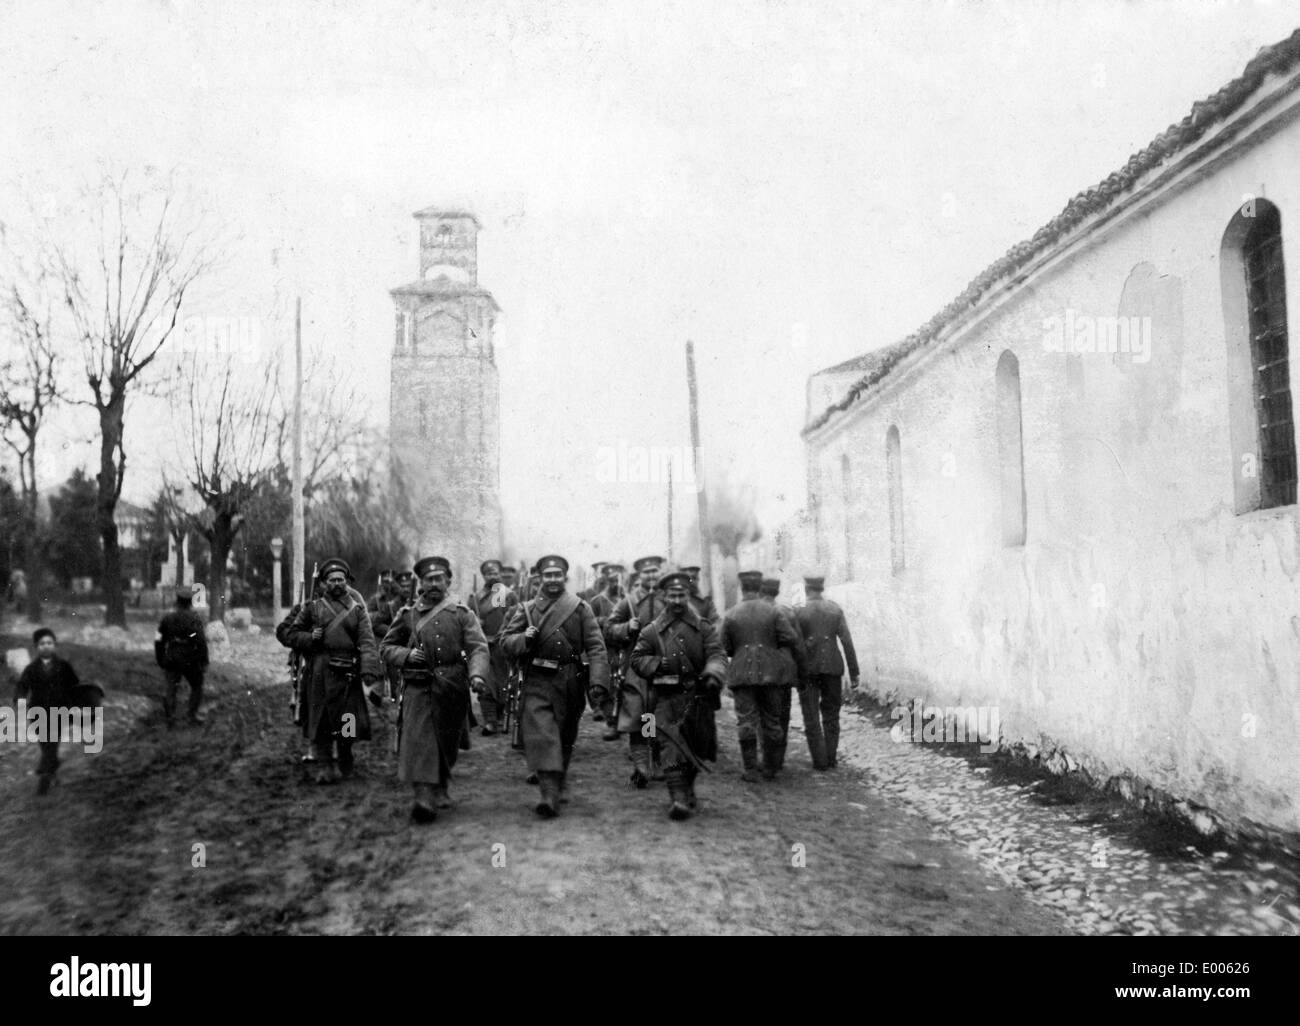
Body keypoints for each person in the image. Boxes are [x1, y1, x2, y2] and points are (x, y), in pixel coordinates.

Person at [380, 556, 490, 823]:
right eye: (428, 579)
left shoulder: (462, 613)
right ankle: (423, 798)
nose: (433, 584)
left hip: (452, 685)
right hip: (419, 685)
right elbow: (386, 647)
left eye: (439, 578)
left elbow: (478, 647)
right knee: (420, 741)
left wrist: (477, 675)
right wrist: (405, 655)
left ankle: (441, 784)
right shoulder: (408, 615)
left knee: (446, 742)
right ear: (421, 583)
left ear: (448, 581)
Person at [500, 554, 609, 817]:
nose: (552, 580)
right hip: (537, 679)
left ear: (564, 577)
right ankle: (548, 795)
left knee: (564, 736)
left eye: (556, 575)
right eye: (547, 575)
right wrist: (523, 640)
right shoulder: (526, 609)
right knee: (543, 734)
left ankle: (557, 783)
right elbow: (505, 641)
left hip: (569, 680)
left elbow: (596, 646)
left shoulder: (580, 608)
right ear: (539, 578)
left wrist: (597, 681)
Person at [629, 572, 727, 819]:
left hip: (697, 697)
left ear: (688, 595)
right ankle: (678, 799)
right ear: (663, 597)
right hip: (664, 697)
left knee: (696, 747)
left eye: (681, 595)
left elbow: (717, 654)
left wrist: (713, 674)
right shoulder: (652, 631)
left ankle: (688, 788)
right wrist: (654, 664)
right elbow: (637, 659)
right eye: (672, 595)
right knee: (670, 746)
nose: (676, 600)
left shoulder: (704, 628)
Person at [283, 558, 383, 784]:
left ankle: (345, 755)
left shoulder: (358, 611)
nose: (337, 584)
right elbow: (291, 634)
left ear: (347, 582)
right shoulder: (313, 608)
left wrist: (369, 670)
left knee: (347, 720)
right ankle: (324, 766)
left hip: (347, 671)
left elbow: (367, 642)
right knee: (321, 721)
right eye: (332, 580)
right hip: (318, 671)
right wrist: (309, 638)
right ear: (324, 583)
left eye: (341, 580)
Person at [721, 570, 805, 782]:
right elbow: (790, 638)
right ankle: (770, 768)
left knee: (746, 721)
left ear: (742, 588)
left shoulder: (731, 614)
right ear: (759, 588)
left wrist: (740, 651)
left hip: (742, 674)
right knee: (772, 720)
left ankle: (750, 770)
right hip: (771, 674)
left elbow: (724, 647)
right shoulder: (773, 612)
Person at [605, 555, 670, 786]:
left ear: (660, 572)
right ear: (639, 576)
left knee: (656, 714)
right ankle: (641, 765)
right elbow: (608, 629)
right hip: (636, 668)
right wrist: (626, 627)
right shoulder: (629, 602)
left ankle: (656, 761)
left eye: (654, 571)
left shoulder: (668, 599)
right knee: (638, 713)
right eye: (646, 572)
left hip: (663, 667)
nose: (651, 576)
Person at [795, 575, 860, 769]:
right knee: (832, 714)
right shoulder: (834, 609)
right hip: (833, 667)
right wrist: (854, 671)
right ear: (821, 589)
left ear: (806, 589)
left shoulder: (798, 611)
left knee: (811, 715)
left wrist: (796, 670)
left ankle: (819, 761)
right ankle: (831, 758)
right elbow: (847, 641)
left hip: (808, 669)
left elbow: (796, 644)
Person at [14, 628, 83, 795]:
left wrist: (79, 703)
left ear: (55, 645)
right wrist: (20, 699)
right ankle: (53, 765)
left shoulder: (64, 667)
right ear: (37, 647)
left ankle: (44, 775)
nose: (46, 646)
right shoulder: (31, 669)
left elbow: (75, 685)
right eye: (42, 644)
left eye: (49, 643)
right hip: (37, 711)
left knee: (52, 741)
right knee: (44, 742)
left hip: (60, 710)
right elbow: (22, 686)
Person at [760, 577, 810, 772]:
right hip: (783, 671)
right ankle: (777, 759)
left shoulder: (754, 610)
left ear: (761, 590)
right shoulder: (787, 611)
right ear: (777, 591)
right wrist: (803, 675)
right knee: (781, 716)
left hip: (760, 670)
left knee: (762, 715)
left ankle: (765, 757)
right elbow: (798, 645)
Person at [469, 558, 519, 734]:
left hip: (502, 645)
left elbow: (512, 618)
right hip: (482, 645)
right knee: (485, 682)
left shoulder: (504, 594)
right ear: (483, 575)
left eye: (495, 573)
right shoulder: (475, 598)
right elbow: (468, 621)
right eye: (489, 573)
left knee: (503, 683)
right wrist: (476, 622)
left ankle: (499, 714)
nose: (492, 576)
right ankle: (490, 720)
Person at [155, 584, 210, 728]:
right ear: (190, 602)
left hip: (172, 657)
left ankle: (170, 718)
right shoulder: (195, 619)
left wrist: (160, 658)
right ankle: (191, 715)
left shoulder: (167, 619)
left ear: (177, 601)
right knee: (197, 686)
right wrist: (204, 660)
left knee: (171, 688)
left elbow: (158, 639)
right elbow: (201, 640)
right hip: (190, 659)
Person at [587, 562, 626, 740]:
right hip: (607, 648)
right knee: (608, 686)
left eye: (618, 579)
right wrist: (604, 621)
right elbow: (589, 624)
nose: (615, 584)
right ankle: (612, 722)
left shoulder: (630, 600)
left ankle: (636, 730)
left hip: (628, 648)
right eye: (611, 580)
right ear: (606, 580)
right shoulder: (597, 601)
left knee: (632, 687)